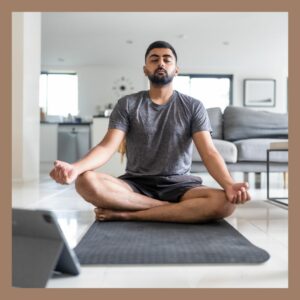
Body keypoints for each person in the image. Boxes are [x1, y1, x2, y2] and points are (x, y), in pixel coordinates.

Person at [50, 41, 251, 223]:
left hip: (181, 186)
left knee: (225, 203)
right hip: (136, 185)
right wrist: (75, 169)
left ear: (176, 69)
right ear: (146, 70)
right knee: (85, 182)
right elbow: (106, 146)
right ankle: (176, 212)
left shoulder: (193, 106)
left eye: (167, 59)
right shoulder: (127, 104)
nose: (161, 63)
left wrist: (229, 184)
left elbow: (209, 152)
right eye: (154, 59)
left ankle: (129, 214)